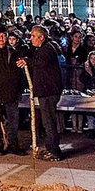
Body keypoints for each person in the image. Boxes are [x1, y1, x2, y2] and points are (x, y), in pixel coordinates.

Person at [18, 25, 63, 161]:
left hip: (49, 91)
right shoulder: (41, 48)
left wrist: (27, 61)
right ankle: (52, 149)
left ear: (41, 37)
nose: (30, 38)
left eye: (33, 36)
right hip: (46, 90)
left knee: (49, 122)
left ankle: (54, 151)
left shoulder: (47, 49)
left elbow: (40, 62)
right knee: (47, 121)